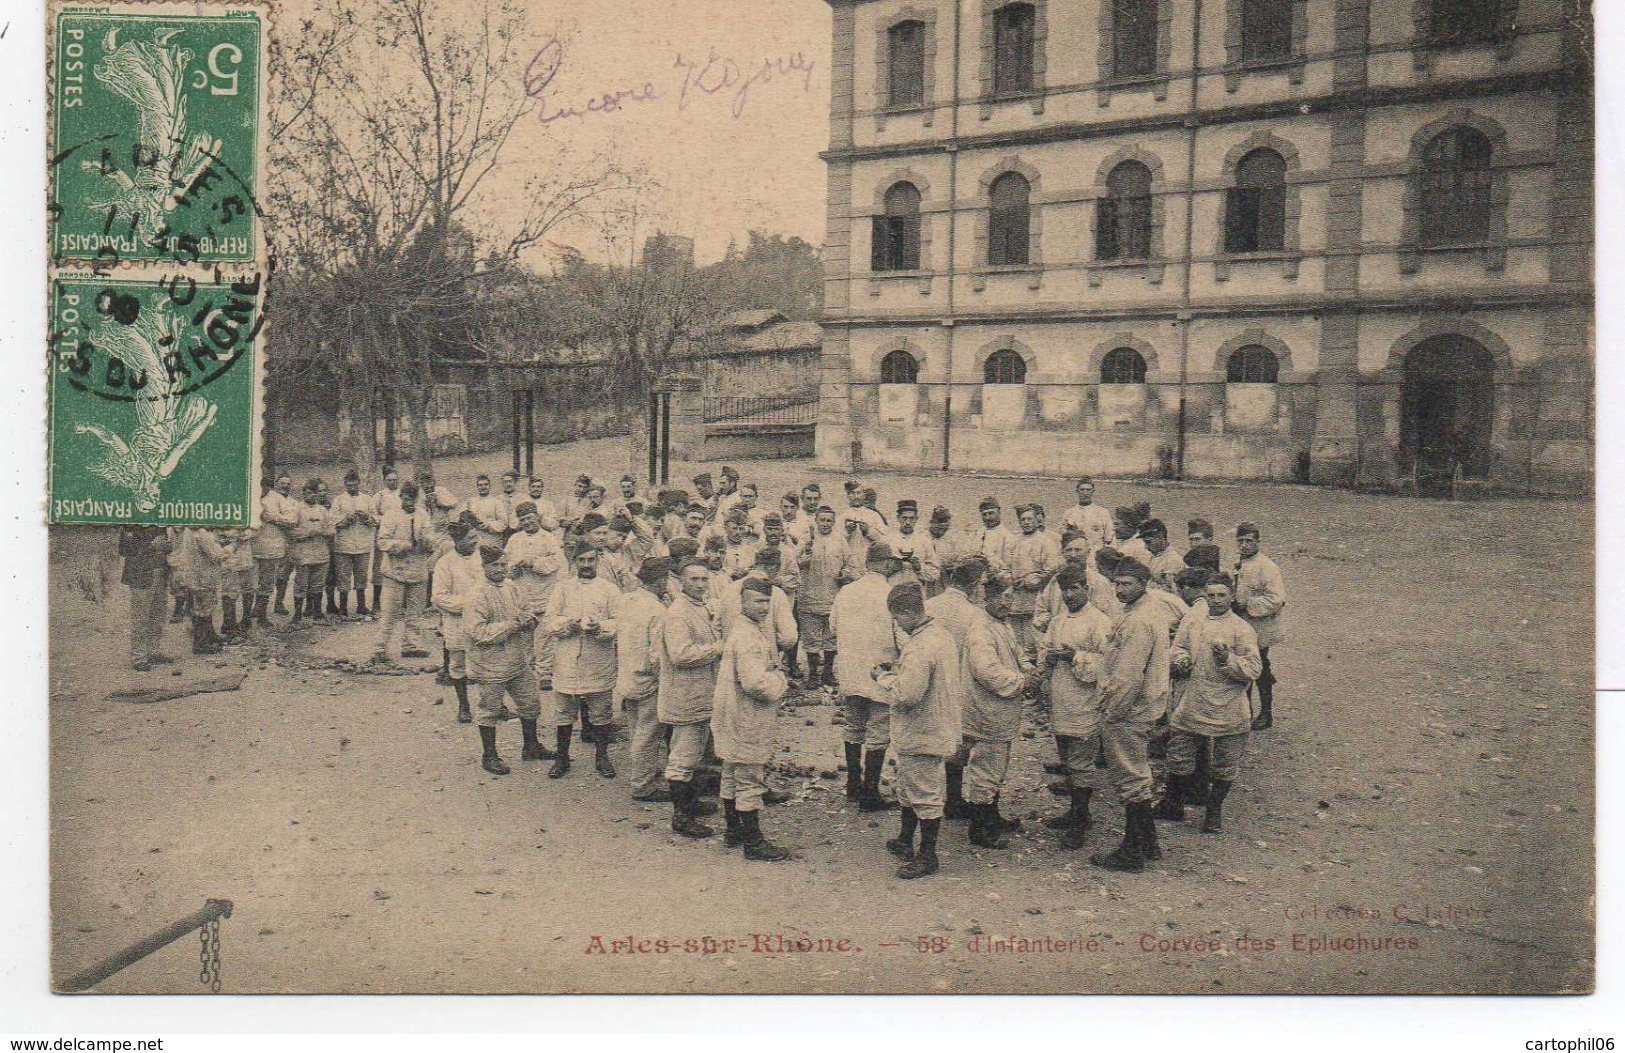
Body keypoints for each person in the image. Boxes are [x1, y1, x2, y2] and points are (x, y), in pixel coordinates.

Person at [872, 583, 963, 880]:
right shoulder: (940, 635)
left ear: (908, 613)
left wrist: (884, 678)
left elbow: (907, 694)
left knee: (924, 794)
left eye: (898, 619)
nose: (897, 625)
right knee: (908, 787)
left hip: (923, 730)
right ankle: (904, 839)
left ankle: (927, 854)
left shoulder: (921, 645)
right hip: (935, 725)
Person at [1162, 573, 1262, 833]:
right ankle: (1173, 803)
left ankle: (1214, 810)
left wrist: (1226, 659)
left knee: (1225, 761)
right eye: (1211, 595)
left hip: (1228, 703)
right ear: (1204, 596)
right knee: (1179, 752)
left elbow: (1253, 669)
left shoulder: (1242, 629)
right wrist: (1180, 659)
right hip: (1195, 697)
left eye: (1222, 595)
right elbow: (1178, 646)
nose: (1216, 600)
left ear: (1231, 596)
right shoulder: (1193, 621)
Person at [1090, 558, 1171, 872]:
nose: (1119, 589)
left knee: (1130, 777)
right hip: (1140, 706)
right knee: (1137, 772)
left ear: (1144, 583)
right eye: (1117, 583)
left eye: (1127, 584)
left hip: (1129, 709)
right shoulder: (1143, 611)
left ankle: (1132, 850)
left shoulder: (1139, 620)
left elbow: (1128, 676)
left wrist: (1112, 712)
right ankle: (1148, 842)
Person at [712, 578, 795, 861]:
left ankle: (733, 830)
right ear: (742, 602)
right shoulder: (747, 637)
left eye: (766, 602)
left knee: (731, 771)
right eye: (757, 601)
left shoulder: (747, 630)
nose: (763, 607)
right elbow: (754, 684)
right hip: (746, 715)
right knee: (749, 776)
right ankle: (753, 841)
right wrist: (780, 679)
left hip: (733, 713)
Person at [1039, 565, 1115, 849]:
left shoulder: (1100, 622)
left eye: (1074, 588)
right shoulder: (1057, 621)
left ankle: (1081, 820)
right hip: (1062, 699)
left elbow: (1108, 664)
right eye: (1064, 590)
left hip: (1085, 701)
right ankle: (1074, 811)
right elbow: (1045, 647)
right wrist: (1046, 660)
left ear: (1087, 588)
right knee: (1067, 758)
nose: (1069, 595)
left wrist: (1076, 656)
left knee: (1082, 762)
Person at [829, 541, 904, 811]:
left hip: (850, 671)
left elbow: (833, 625)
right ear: (886, 564)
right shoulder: (891, 593)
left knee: (853, 726)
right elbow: (901, 636)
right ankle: (869, 793)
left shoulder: (846, 591)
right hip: (879, 673)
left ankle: (853, 784)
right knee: (878, 732)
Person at [659, 559, 725, 839]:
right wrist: (716, 648)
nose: (700, 584)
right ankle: (681, 817)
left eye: (703, 579)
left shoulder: (700, 607)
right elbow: (680, 654)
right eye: (694, 580)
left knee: (695, 753)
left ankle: (691, 803)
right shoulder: (677, 613)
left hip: (700, 692)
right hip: (685, 694)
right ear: (681, 582)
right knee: (683, 757)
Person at [466, 547, 546, 776]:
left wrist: (529, 621)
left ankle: (531, 746)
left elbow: (526, 610)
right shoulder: (476, 595)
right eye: (494, 565)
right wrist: (511, 625)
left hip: (516, 660)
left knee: (530, 702)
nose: (500, 569)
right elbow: (477, 632)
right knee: (489, 709)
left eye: (503, 564)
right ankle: (489, 755)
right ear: (483, 567)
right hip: (489, 663)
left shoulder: (512, 587)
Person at [544, 547, 621, 779]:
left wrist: (601, 628)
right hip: (567, 658)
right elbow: (549, 620)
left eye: (591, 559)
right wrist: (568, 625)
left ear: (597, 560)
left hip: (598, 658)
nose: (586, 564)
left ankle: (602, 756)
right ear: (574, 561)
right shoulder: (563, 588)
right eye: (581, 560)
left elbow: (619, 621)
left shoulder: (609, 589)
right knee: (564, 711)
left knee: (601, 711)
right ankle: (562, 757)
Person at [925, 557, 986, 821]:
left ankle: (929, 799)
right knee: (960, 742)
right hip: (960, 684)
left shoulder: (930, 605)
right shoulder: (975, 614)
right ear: (973, 585)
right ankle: (953, 798)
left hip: (929, 681)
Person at [616, 557, 672, 802]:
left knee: (636, 730)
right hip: (648, 679)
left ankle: (644, 772)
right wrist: (667, 682)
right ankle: (642, 784)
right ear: (659, 580)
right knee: (648, 734)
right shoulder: (657, 610)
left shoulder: (628, 600)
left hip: (627, 675)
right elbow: (657, 655)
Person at [373, 482, 436, 663]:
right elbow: (382, 542)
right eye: (405, 498)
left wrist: (427, 541)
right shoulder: (391, 515)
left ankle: (411, 645)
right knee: (389, 613)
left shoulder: (423, 515)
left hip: (417, 570)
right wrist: (404, 545)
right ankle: (380, 647)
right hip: (395, 571)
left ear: (416, 499)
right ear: (400, 497)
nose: (407, 502)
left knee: (415, 613)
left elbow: (430, 537)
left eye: (411, 499)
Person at [1233, 523, 1286, 730]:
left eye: (1249, 541)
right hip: (1242, 625)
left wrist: (1247, 604)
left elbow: (1277, 599)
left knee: (1260, 669)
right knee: (1242, 667)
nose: (1244, 545)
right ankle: (1245, 712)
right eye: (1241, 541)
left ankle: (1266, 713)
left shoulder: (1267, 566)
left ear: (1258, 542)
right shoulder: (1239, 563)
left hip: (1260, 627)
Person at [433, 524, 486, 725]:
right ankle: (464, 706)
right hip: (457, 621)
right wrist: (470, 605)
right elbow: (439, 597)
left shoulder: (483, 557)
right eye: (470, 537)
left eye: (476, 536)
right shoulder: (445, 563)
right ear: (457, 541)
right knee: (458, 664)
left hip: (483, 621)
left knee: (488, 662)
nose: (475, 541)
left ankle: (493, 704)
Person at [795, 505, 851, 689]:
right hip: (810, 596)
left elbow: (849, 564)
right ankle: (813, 675)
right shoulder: (806, 540)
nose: (825, 524)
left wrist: (845, 573)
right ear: (816, 521)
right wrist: (805, 556)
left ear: (834, 523)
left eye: (829, 520)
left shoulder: (841, 541)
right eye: (822, 520)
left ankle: (827, 673)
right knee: (811, 638)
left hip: (832, 597)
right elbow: (796, 563)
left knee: (831, 637)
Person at [1008, 503, 1059, 652]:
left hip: (1036, 599)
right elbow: (1006, 566)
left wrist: (1031, 581)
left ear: (1037, 520)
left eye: (1029, 519)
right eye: (1023, 519)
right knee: (1016, 642)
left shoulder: (1046, 542)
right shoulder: (1014, 542)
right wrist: (1009, 579)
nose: (1026, 522)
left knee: (1035, 642)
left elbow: (1051, 570)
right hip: (1016, 600)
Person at [120, 526, 173, 670]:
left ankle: (153, 651)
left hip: (160, 572)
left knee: (158, 614)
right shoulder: (131, 522)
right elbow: (124, 549)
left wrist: (167, 546)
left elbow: (168, 545)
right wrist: (150, 545)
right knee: (140, 616)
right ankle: (139, 657)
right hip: (140, 575)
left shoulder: (161, 522)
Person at [251, 475, 300, 626]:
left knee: (267, 583)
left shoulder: (278, 499)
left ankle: (262, 616)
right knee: (250, 584)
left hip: (272, 548)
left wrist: (272, 517)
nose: (261, 489)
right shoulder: (250, 496)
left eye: (264, 486)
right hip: (250, 547)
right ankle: (248, 616)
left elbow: (292, 519)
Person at [330, 470, 375, 620]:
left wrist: (366, 517)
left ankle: (361, 605)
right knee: (344, 576)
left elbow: (376, 519)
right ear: (345, 484)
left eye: (354, 482)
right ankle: (343, 608)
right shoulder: (338, 500)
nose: (352, 485)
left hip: (362, 544)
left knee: (361, 576)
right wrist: (345, 519)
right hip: (344, 545)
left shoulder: (367, 499)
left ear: (358, 483)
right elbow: (331, 520)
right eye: (348, 483)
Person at [290, 480, 336, 626]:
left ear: (316, 494)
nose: (308, 495)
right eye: (306, 492)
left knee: (318, 583)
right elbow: (290, 531)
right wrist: (307, 533)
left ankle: (317, 611)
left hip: (321, 552)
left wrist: (322, 531)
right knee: (301, 584)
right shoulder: (296, 509)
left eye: (311, 493)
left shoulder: (322, 510)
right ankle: (297, 614)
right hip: (303, 553)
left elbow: (332, 529)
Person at [173, 527, 226, 655]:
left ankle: (209, 635)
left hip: (196, 574)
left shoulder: (190, 529)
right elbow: (215, 555)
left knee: (204, 605)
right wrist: (230, 548)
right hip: (202, 575)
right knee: (204, 607)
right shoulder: (200, 531)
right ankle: (200, 643)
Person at [888, 499, 941, 592]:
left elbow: (936, 573)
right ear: (898, 518)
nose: (908, 522)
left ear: (916, 519)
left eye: (911, 518)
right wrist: (892, 567)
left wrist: (919, 567)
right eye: (904, 518)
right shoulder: (888, 540)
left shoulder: (924, 541)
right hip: (892, 590)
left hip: (916, 593)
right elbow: (878, 569)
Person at [369, 466, 402, 613]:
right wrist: (386, 520)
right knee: (379, 568)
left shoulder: (403, 494)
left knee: (399, 567)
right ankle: (376, 603)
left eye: (395, 480)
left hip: (400, 536)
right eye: (389, 480)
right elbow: (373, 516)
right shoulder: (379, 496)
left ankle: (399, 604)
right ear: (384, 481)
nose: (392, 483)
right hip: (384, 535)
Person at [218, 529, 255, 643]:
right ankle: (230, 628)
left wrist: (249, 533)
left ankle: (246, 620)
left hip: (245, 555)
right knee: (229, 592)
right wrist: (234, 535)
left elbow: (256, 526)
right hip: (229, 555)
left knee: (248, 588)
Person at [1062, 478, 1115, 549]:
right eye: (1082, 489)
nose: (1085, 492)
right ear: (1077, 491)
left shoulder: (1103, 512)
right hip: (1076, 553)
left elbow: (1109, 537)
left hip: (1095, 553)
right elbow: (1062, 536)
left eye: (1088, 490)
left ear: (1093, 491)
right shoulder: (1069, 512)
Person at [975, 498, 1017, 584]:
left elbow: (1008, 568)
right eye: (984, 514)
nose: (987, 518)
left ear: (999, 513)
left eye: (991, 513)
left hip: (998, 583)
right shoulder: (978, 534)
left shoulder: (1007, 537)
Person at [468, 474, 509, 551]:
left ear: (489, 486)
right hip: (476, 539)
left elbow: (504, 522)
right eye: (480, 485)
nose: (483, 487)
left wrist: (488, 525)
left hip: (492, 539)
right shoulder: (471, 502)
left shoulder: (497, 502)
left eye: (485, 484)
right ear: (477, 487)